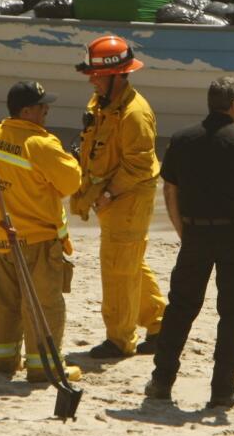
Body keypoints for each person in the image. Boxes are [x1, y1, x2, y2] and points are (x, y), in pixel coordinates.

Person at [144, 77, 234, 409]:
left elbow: (169, 190)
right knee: (232, 314)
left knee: (180, 308)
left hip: (195, 234)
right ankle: (222, 390)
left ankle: (162, 381)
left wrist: (182, 230)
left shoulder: (182, 139)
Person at [0, 81, 83, 383]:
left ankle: (1, 360)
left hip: (0, 236)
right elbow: (71, 182)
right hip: (36, 239)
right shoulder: (42, 144)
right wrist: (72, 156)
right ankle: (44, 366)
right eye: (41, 106)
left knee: (5, 303)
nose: (46, 110)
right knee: (45, 304)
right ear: (26, 111)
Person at [70, 35, 166, 359]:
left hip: (128, 198)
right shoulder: (102, 103)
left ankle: (120, 339)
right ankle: (160, 325)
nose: (91, 81)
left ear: (115, 75)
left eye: (95, 75)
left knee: (117, 268)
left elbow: (138, 166)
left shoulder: (135, 115)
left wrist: (109, 193)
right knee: (130, 262)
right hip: (112, 197)